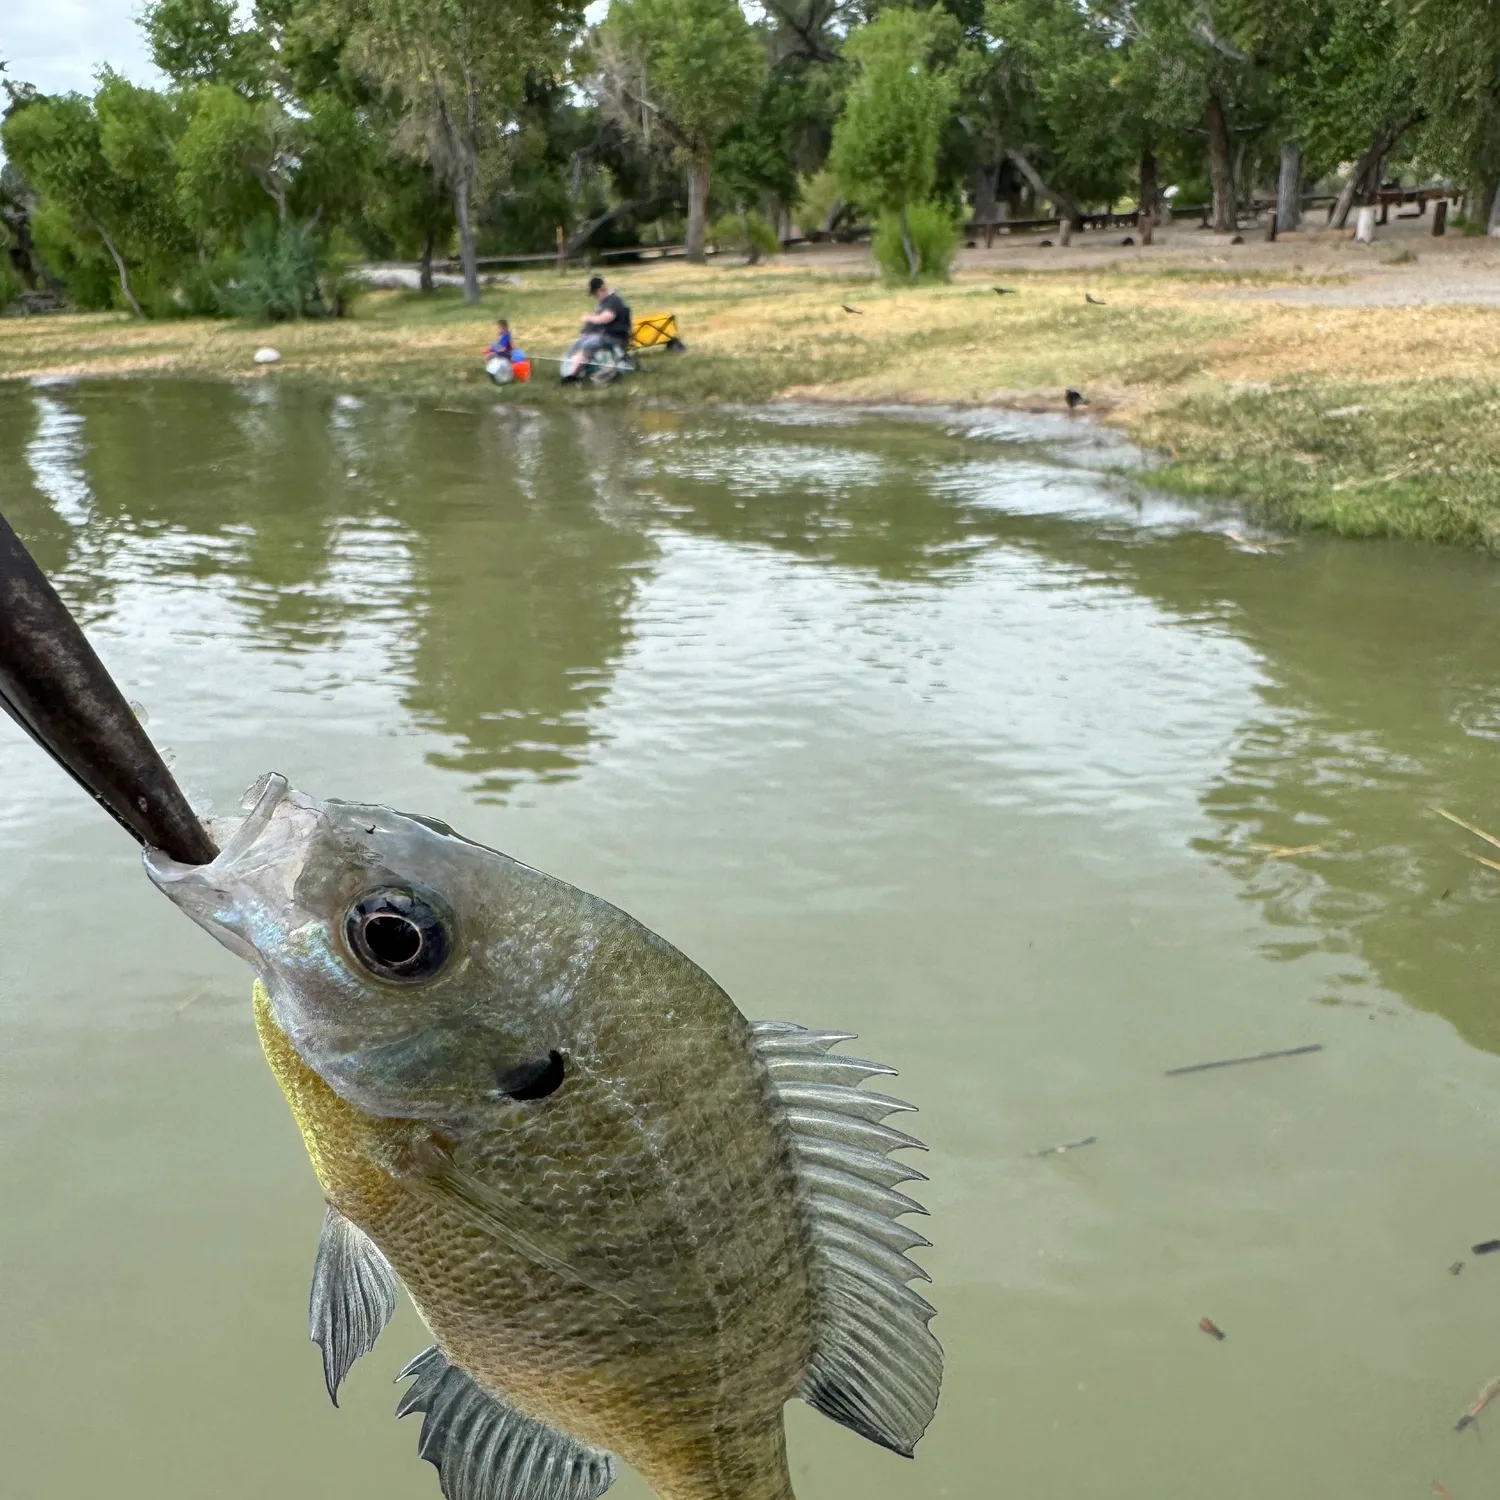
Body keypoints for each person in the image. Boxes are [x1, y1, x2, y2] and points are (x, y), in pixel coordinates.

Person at [560, 276, 631, 381]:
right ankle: (569, 374)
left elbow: (607, 317)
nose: (595, 297)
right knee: (576, 345)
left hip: (613, 337)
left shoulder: (614, 300)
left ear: (602, 288)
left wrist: (589, 318)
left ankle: (572, 376)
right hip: (600, 335)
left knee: (587, 345)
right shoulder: (604, 302)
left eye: (595, 294)